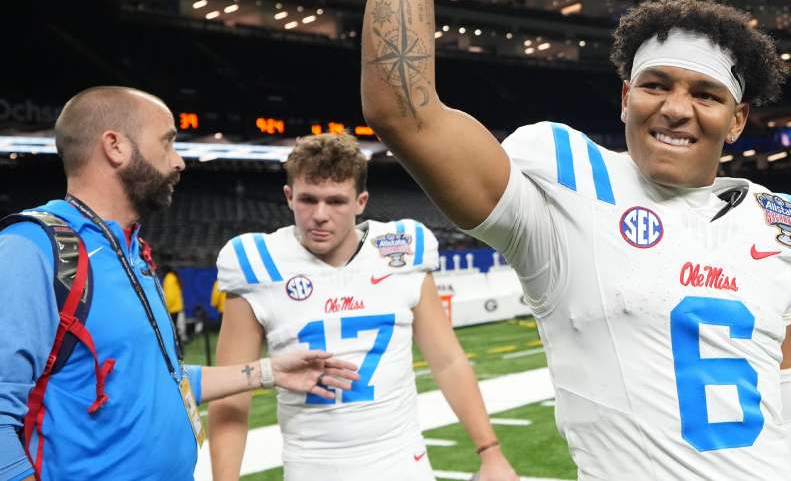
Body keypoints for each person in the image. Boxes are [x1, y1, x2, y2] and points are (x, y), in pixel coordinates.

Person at [360, 0, 791, 480]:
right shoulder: (564, 184)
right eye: (656, 85)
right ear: (625, 97)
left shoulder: (780, 224)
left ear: (736, 120)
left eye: (705, 94)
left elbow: (790, 400)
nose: (676, 109)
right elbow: (403, 111)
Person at [0, 86, 359, 481]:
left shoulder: (128, 249)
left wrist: (268, 372)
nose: (179, 161)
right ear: (115, 147)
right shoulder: (32, 251)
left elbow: (156, 379)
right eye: (168, 142)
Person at [208, 133, 517, 481]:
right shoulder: (257, 264)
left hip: (402, 463)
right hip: (313, 468)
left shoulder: (400, 250)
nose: (320, 215)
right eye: (308, 199)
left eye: (336, 201)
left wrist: (490, 451)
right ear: (289, 196)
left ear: (361, 201)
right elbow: (231, 392)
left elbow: (447, 359)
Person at [163, 267, 187, 343]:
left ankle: (177, 348)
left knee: (173, 331)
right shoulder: (174, 277)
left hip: (172, 308)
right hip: (177, 307)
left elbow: (170, 296)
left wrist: (166, 307)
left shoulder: (169, 278)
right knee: (176, 330)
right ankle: (179, 347)